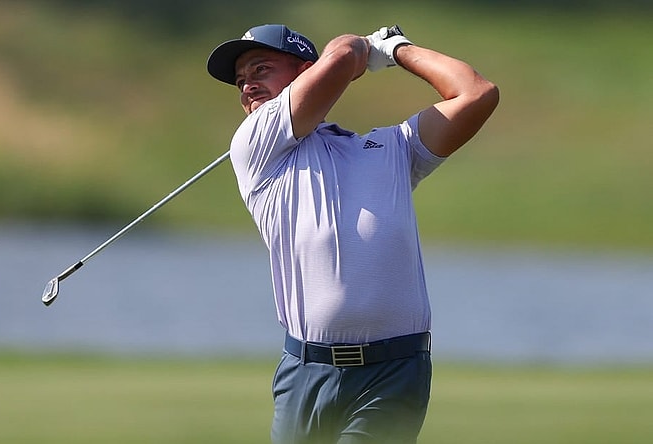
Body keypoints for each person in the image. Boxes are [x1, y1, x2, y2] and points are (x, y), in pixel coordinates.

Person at [206, 23, 499, 443]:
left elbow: (477, 94)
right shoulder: (255, 142)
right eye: (240, 81)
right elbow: (344, 55)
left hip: (395, 371)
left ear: (306, 71)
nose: (247, 87)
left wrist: (398, 48)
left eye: (261, 69)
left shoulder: (392, 149)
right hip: (307, 370)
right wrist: (364, 48)